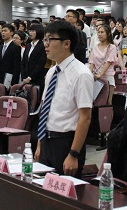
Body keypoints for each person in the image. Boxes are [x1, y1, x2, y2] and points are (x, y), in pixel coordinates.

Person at [34, 20, 93, 178]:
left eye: (50, 39)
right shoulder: (52, 72)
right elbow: (45, 109)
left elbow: (85, 118)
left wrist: (73, 154)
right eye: (45, 39)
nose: (45, 44)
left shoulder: (81, 74)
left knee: (64, 190)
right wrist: (40, 145)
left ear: (66, 43)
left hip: (66, 143)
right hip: (46, 140)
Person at [88, 24, 118, 105]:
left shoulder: (112, 47)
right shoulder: (95, 47)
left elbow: (108, 62)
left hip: (107, 77)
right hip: (96, 78)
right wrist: (89, 74)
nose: (99, 34)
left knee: (108, 103)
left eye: (102, 32)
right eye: (98, 32)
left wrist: (100, 74)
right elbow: (92, 62)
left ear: (108, 34)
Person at [21, 23, 47, 92]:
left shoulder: (42, 46)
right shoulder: (28, 45)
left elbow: (41, 64)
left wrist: (30, 78)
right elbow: (24, 62)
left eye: (33, 31)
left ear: (38, 32)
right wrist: (24, 77)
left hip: (37, 79)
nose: (30, 33)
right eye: (30, 31)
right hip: (25, 79)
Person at [0, 23, 22, 88]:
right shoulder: (0, 48)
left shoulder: (16, 47)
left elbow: (16, 67)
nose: (3, 33)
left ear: (11, 33)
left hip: (9, 79)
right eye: (2, 31)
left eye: (5, 31)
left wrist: (13, 83)